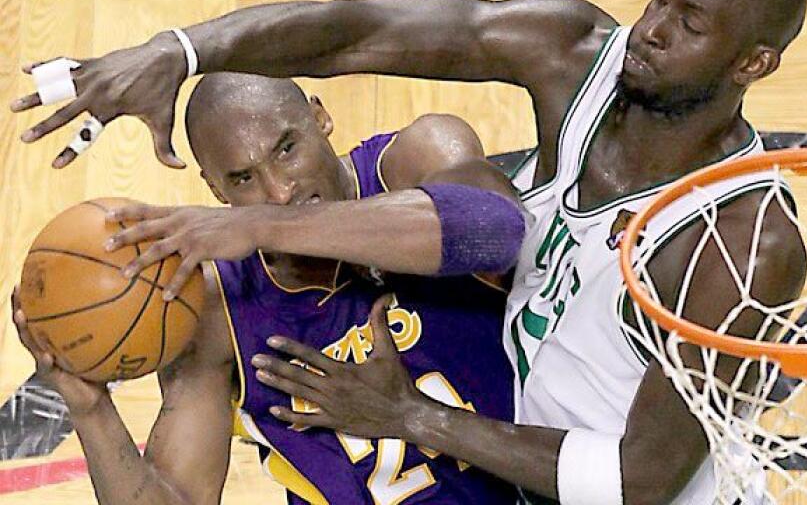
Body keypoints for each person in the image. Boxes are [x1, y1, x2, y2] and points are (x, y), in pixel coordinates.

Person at [13, 0, 807, 502]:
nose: (652, 29)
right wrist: (181, 50)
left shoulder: (743, 246)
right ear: (212, 184)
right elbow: (358, 28)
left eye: (690, 24)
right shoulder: (577, 57)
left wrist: (407, 417)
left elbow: (493, 237)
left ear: (752, 64)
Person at [12, 73, 524, 504]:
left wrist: (266, 226)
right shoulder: (215, 310)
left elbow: (499, 235)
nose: (279, 191)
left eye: (287, 148)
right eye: (242, 180)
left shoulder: (415, 160)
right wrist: (90, 410)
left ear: (319, 117)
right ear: (213, 190)